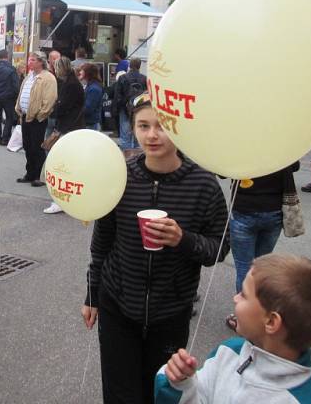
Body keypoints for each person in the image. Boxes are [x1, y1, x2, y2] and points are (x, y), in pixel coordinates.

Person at [82, 93, 230, 404]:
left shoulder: (203, 185)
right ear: (133, 128)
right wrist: (92, 295)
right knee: (120, 394)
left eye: (162, 126)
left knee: (160, 392)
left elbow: (219, 248)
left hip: (170, 311)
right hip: (117, 306)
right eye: (143, 125)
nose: (152, 135)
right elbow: (103, 242)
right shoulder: (121, 176)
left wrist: (183, 239)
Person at [156, 254, 311, 404]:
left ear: (271, 322)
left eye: (243, 295)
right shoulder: (229, 352)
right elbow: (200, 398)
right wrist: (182, 384)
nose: (235, 298)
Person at [225, 162, 299, 331]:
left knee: (245, 268)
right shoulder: (282, 143)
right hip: (273, 211)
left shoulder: (240, 141)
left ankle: (243, 318)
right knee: (261, 267)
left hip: (244, 210)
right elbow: (294, 166)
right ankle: (260, 314)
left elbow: (223, 171)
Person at [43, 56, 84, 214]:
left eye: (56, 66)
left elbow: (64, 105)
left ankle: (60, 200)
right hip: (69, 126)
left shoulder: (71, 85)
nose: (54, 69)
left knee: (61, 164)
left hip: (68, 127)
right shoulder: (71, 83)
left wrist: (53, 109)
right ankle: (62, 198)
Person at [15, 51, 57, 187]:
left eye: (32, 60)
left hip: (37, 118)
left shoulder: (48, 78)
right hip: (26, 116)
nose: (29, 62)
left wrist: (41, 115)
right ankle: (30, 173)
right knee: (27, 146)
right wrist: (19, 107)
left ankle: (39, 175)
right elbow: (22, 92)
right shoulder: (29, 76)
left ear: (41, 62)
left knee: (37, 146)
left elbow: (50, 99)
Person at [113, 57, 147, 151]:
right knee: (138, 136)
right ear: (139, 66)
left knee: (125, 137)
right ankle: (137, 158)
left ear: (129, 65)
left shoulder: (122, 78)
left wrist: (115, 110)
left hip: (125, 109)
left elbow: (118, 96)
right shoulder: (144, 79)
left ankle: (127, 160)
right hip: (140, 109)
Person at [0, 48, 20, 145]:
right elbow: (15, 85)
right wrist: (16, 96)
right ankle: (5, 138)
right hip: (8, 97)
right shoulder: (11, 69)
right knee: (9, 117)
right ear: (7, 56)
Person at [81, 62, 104, 131]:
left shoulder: (94, 88)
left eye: (82, 70)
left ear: (87, 73)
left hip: (91, 124)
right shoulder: (90, 86)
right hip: (89, 123)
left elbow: (88, 108)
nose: (80, 72)